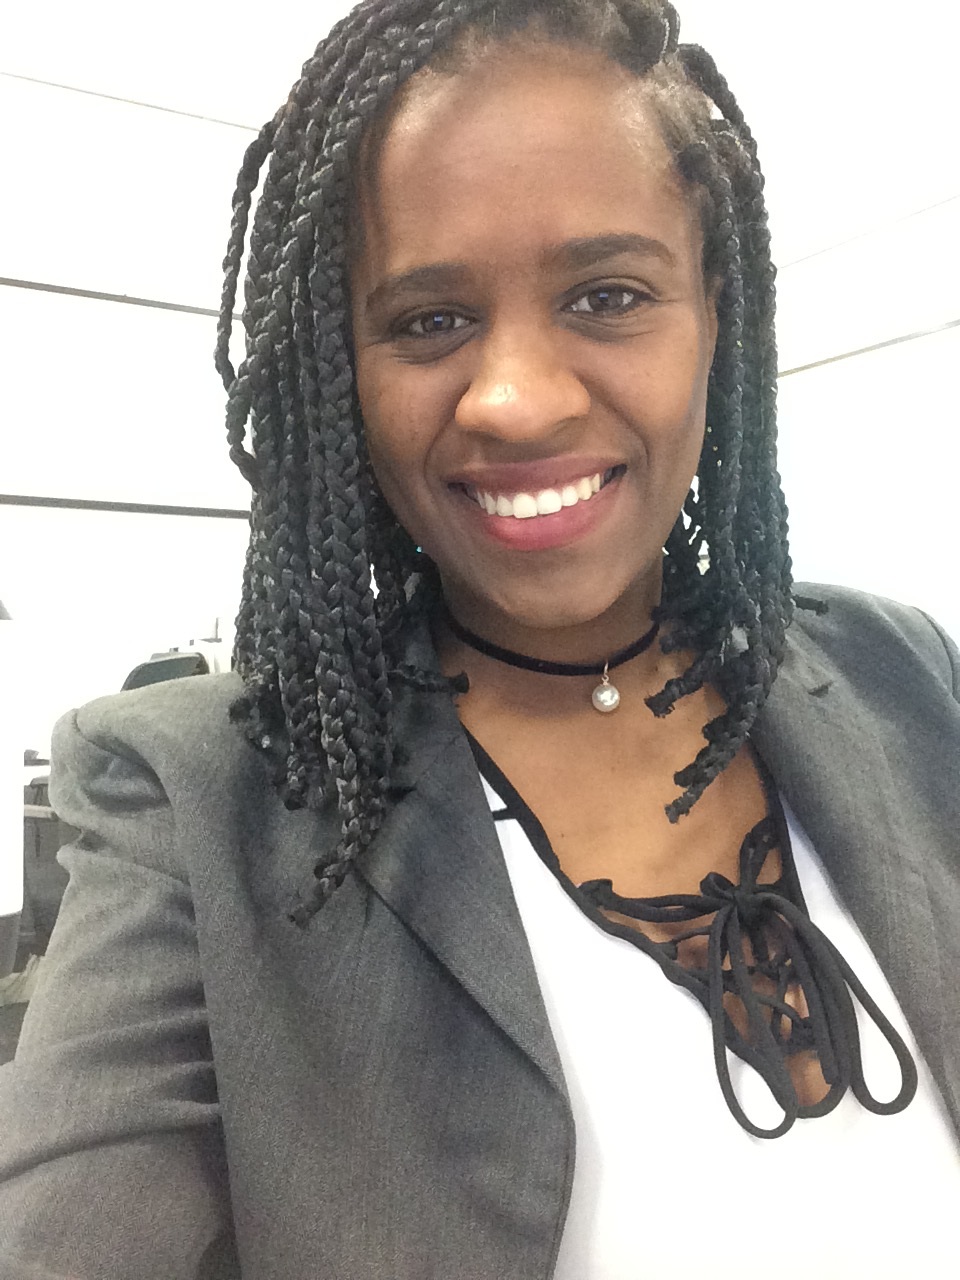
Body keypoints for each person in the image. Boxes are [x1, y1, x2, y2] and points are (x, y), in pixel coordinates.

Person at [1, 0, 959, 1275]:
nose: (517, 400)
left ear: (716, 314)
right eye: (429, 320)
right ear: (343, 368)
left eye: (608, 295)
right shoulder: (196, 807)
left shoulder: (904, 673)